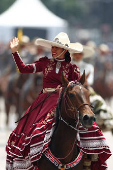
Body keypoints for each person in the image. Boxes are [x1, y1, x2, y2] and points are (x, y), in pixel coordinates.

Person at [6, 32, 111, 170]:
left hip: (65, 100)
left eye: (56, 48)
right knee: (31, 130)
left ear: (64, 50)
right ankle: (29, 162)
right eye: (52, 47)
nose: (53, 50)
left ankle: (89, 158)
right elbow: (23, 69)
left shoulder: (73, 68)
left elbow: (76, 88)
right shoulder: (45, 62)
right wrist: (15, 52)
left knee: (88, 126)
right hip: (44, 102)